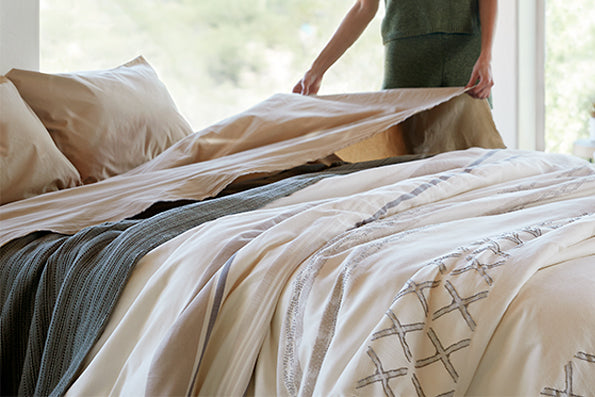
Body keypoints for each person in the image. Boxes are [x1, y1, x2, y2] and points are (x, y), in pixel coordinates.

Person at [292, 0, 497, 100]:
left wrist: (486, 56)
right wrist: (317, 69)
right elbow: (364, 8)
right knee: (403, 159)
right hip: (407, 57)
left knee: (473, 159)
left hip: (466, 56)